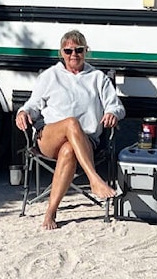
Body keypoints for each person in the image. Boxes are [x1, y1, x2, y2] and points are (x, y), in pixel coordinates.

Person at [15, 29, 125, 230]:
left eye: (78, 50)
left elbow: (116, 106)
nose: (73, 54)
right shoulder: (50, 76)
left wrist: (113, 114)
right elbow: (32, 105)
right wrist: (23, 112)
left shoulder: (97, 78)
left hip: (85, 142)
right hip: (49, 137)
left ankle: (50, 212)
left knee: (68, 150)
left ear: (86, 51)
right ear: (61, 53)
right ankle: (94, 179)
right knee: (71, 123)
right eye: (68, 51)